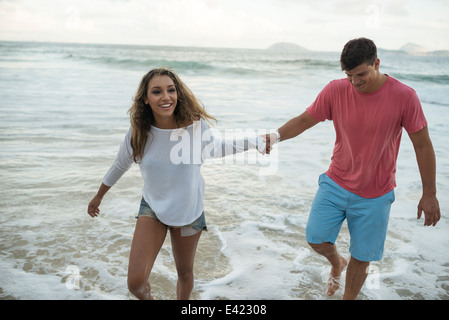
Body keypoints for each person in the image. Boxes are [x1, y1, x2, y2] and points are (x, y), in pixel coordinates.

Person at [265, 38, 440, 299]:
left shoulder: (405, 97)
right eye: (349, 75)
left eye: (361, 74)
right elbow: (305, 119)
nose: (355, 82)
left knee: (361, 256)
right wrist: (275, 137)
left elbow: (423, 146)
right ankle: (336, 262)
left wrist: (429, 193)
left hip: (376, 193)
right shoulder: (335, 90)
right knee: (315, 238)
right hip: (335, 182)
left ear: (376, 64)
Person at [87, 68, 265, 300]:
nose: (165, 97)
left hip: (189, 211)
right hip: (153, 207)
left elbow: (218, 148)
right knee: (135, 283)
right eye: (157, 91)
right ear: (145, 98)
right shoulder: (138, 132)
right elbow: (120, 164)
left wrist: (256, 141)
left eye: (171, 90)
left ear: (178, 94)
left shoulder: (195, 126)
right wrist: (99, 196)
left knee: (184, 272)